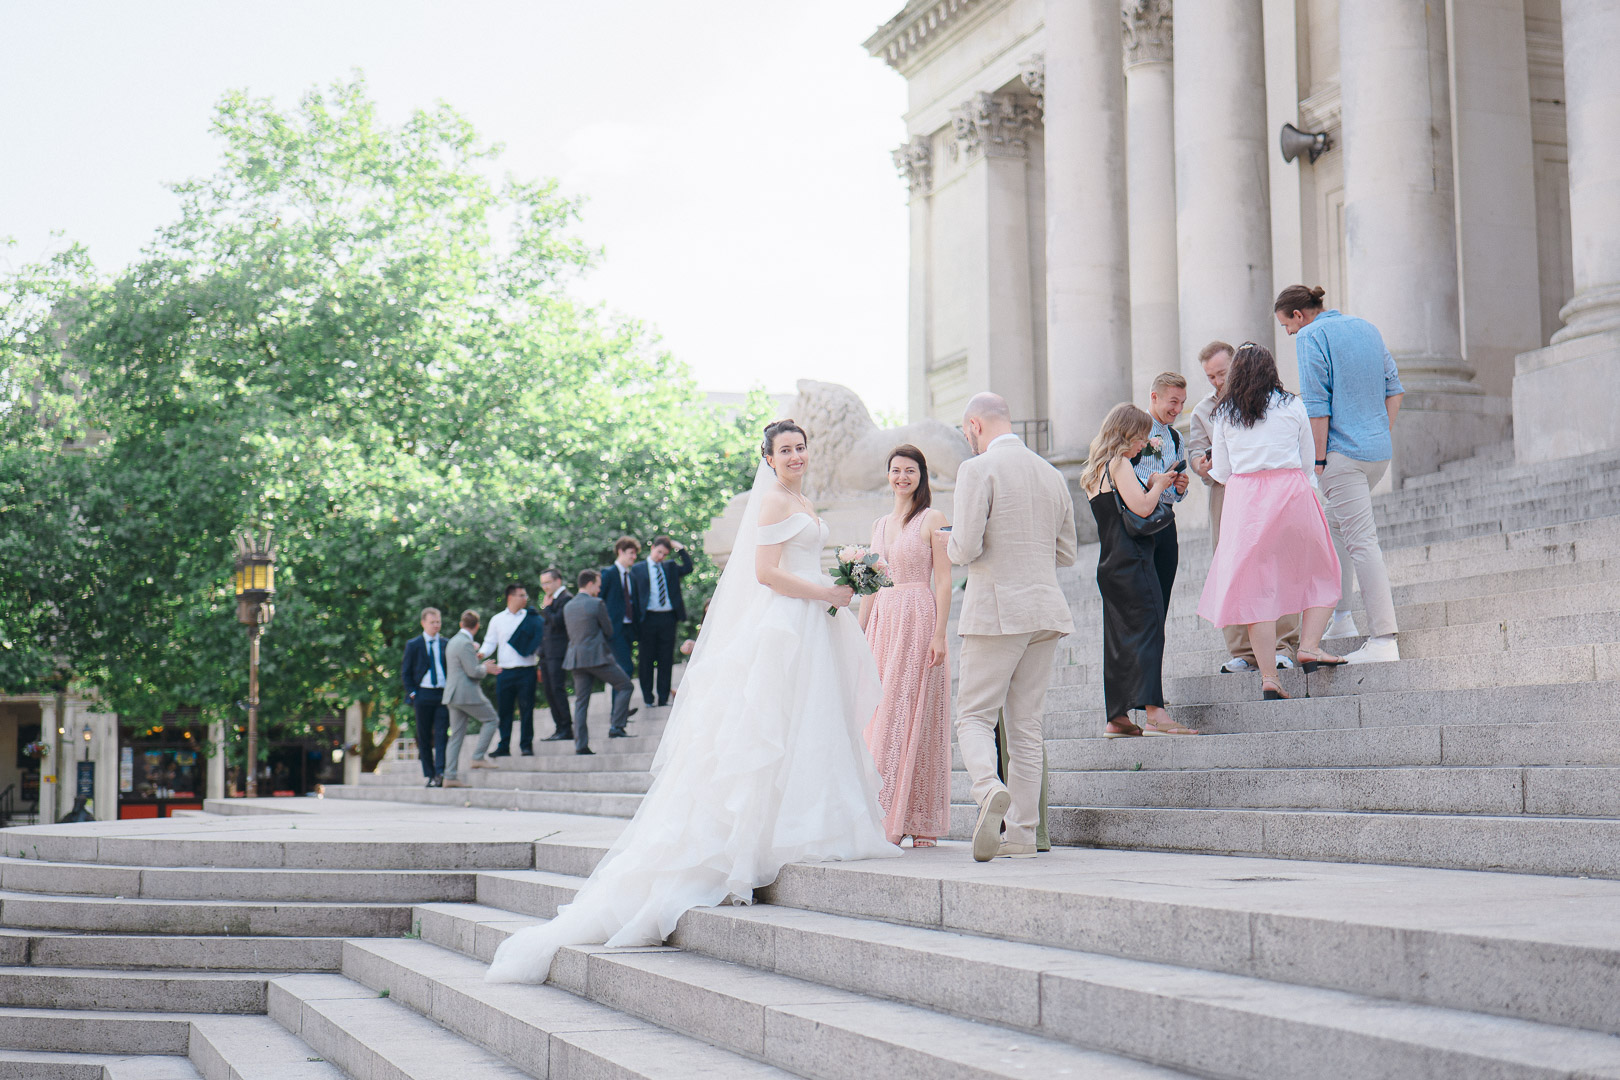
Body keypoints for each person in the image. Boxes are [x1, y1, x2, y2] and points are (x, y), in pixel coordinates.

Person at [485, 419, 897, 984]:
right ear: (768, 457)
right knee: (772, 729)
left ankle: (812, 824)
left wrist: (840, 583)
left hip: (813, 621)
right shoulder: (774, 500)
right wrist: (827, 590)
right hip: (787, 622)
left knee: (811, 726)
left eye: (801, 447)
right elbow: (766, 573)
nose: (796, 455)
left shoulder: (801, 499)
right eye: (785, 449)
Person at [945, 392, 1079, 861]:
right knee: (1026, 727)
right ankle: (1022, 833)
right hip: (1045, 609)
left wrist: (946, 544)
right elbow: (1067, 553)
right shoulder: (1051, 473)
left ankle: (987, 789)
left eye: (966, 431)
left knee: (974, 716)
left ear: (975, 425)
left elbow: (965, 547)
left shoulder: (977, 469)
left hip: (997, 609)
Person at [1197, 343, 1347, 698]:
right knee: (1324, 571)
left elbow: (1223, 470)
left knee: (1255, 593)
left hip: (1245, 502)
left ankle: (1269, 677)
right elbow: (1307, 459)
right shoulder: (1292, 405)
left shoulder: (1225, 413)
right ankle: (1309, 645)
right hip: (1291, 491)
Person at [1276, 284, 1405, 663]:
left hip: (1340, 456)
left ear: (1299, 315)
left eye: (1287, 326)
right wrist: (1379, 432)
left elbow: (1317, 406)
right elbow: (1395, 389)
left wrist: (1318, 461)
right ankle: (1342, 618)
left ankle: (1383, 638)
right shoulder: (1366, 327)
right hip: (1376, 453)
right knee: (1335, 528)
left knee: (1362, 541)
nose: (1289, 333)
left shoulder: (1310, 336)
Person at [1080, 404, 1197, 739]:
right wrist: (1158, 484)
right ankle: (1156, 715)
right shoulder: (1118, 463)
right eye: (1141, 437)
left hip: (1110, 563)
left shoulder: (1094, 470)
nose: (1143, 444)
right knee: (1149, 632)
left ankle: (1117, 717)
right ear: (1126, 434)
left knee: (1118, 641)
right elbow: (1143, 507)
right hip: (1133, 560)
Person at [1188, 341, 1302, 673]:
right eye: (1210, 376)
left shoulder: (1275, 401)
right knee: (1231, 568)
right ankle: (1242, 650)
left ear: (1236, 366)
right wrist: (1200, 464)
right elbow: (1196, 452)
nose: (1217, 381)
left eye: (1222, 373)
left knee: (1277, 562)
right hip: (1226, 492)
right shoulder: (1203, 410)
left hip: (1268, 489)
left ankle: (1283, 645)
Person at [858, 444, 951, 848]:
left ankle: (915, 818)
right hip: (884, 621)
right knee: (881, 714)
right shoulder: (879, 525)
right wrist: (859, 634)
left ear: (921, 475)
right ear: (888, 475)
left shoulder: (934, 518)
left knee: (913, 712)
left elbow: (944, 580)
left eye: (910, 470)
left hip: (918, 617)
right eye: (896, 470)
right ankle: (881, 811)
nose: (902, 477)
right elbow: (869, 585)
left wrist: (940, 633)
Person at [1132, 372, 1192, 613]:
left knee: (1163, 595)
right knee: (1141, 599)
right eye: (1173, 402)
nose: (1178, 409)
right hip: (1139, 519)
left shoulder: (1176, 438)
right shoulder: (1134, 429)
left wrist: (1180, 488)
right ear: (1154, 397)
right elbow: (1120, 471)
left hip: (1165, 519)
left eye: (1182, 403)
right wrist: (1151, 483)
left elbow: (1176, 493)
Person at [562, 570, 634, 756]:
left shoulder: (568, 606)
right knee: (626, 685)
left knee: (581, 703)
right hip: (597, 657)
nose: (599, 589)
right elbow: (609, 631)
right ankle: (616, 726)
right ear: (590, 583)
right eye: (598, 585)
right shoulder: (597, 603)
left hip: (576, 659)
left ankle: (581, 745)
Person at [479, 585, 540, 757]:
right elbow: (490, 642)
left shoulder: (531, 618)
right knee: (504, 710)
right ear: (510, 597)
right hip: (504, 671)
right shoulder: (497, 619)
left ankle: (526, 745)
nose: (525, 598)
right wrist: (481, 654)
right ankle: (503, 745)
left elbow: (538, 641)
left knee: (527, 709)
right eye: (521, 595)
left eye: (525, 595)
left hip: (527, 670)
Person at [633, 535, 693, 708]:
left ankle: (663, 697)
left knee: (666, 659)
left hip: (668, 617)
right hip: (647, 619)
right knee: (646, 660)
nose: (661, 556)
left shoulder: (670, 567)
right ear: (652, 548)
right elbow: (633, 597)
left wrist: (680, 548)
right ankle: (648, 698)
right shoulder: (637, 569)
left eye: (665, 554)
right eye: (659, 552)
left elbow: (688, 568)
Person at [443, 609, 501, 786]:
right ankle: (478, 757)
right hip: (466, 694)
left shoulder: (453, 641)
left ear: (461, 624)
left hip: (452, 695)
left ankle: (449, 776)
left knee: (456, 736)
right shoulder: (466, 643)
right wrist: (485, 668)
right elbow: (473, 672)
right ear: (477, 627)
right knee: (492, 719)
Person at [400, 608, 450, 787]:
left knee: (442, 734)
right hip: (423, 694)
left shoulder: (446, 643)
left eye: (438, 622)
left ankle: (441, 772)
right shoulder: (414, 644)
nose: (436, 625)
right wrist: (414, 693)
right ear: (423, 623)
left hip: (442, 694)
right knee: (424, 736)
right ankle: (430, 774)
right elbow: (406, 672)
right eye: (432, 622)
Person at [598, 538, 642, 690]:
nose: (634, 557)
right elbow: (599, 600)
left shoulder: (631, 577)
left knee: (623, 669)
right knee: (625, 668)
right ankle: (619, 704)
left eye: (635, 554)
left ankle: (620, 704)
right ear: (620, 552)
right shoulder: (608, 573)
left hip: (629, 628)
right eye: (631, 553)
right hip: (614, 629)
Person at [537, 568, 575, 743]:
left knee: (557, 689)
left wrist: (546, 608)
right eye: (542, 583)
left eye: (548, 582)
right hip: (547, 653)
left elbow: (558, 622)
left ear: (558, 581)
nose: (545, 586)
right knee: (549, 691)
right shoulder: (551, 600)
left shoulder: (566, 598)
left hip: (558, 652)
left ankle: (566, 727)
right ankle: (559, 727)